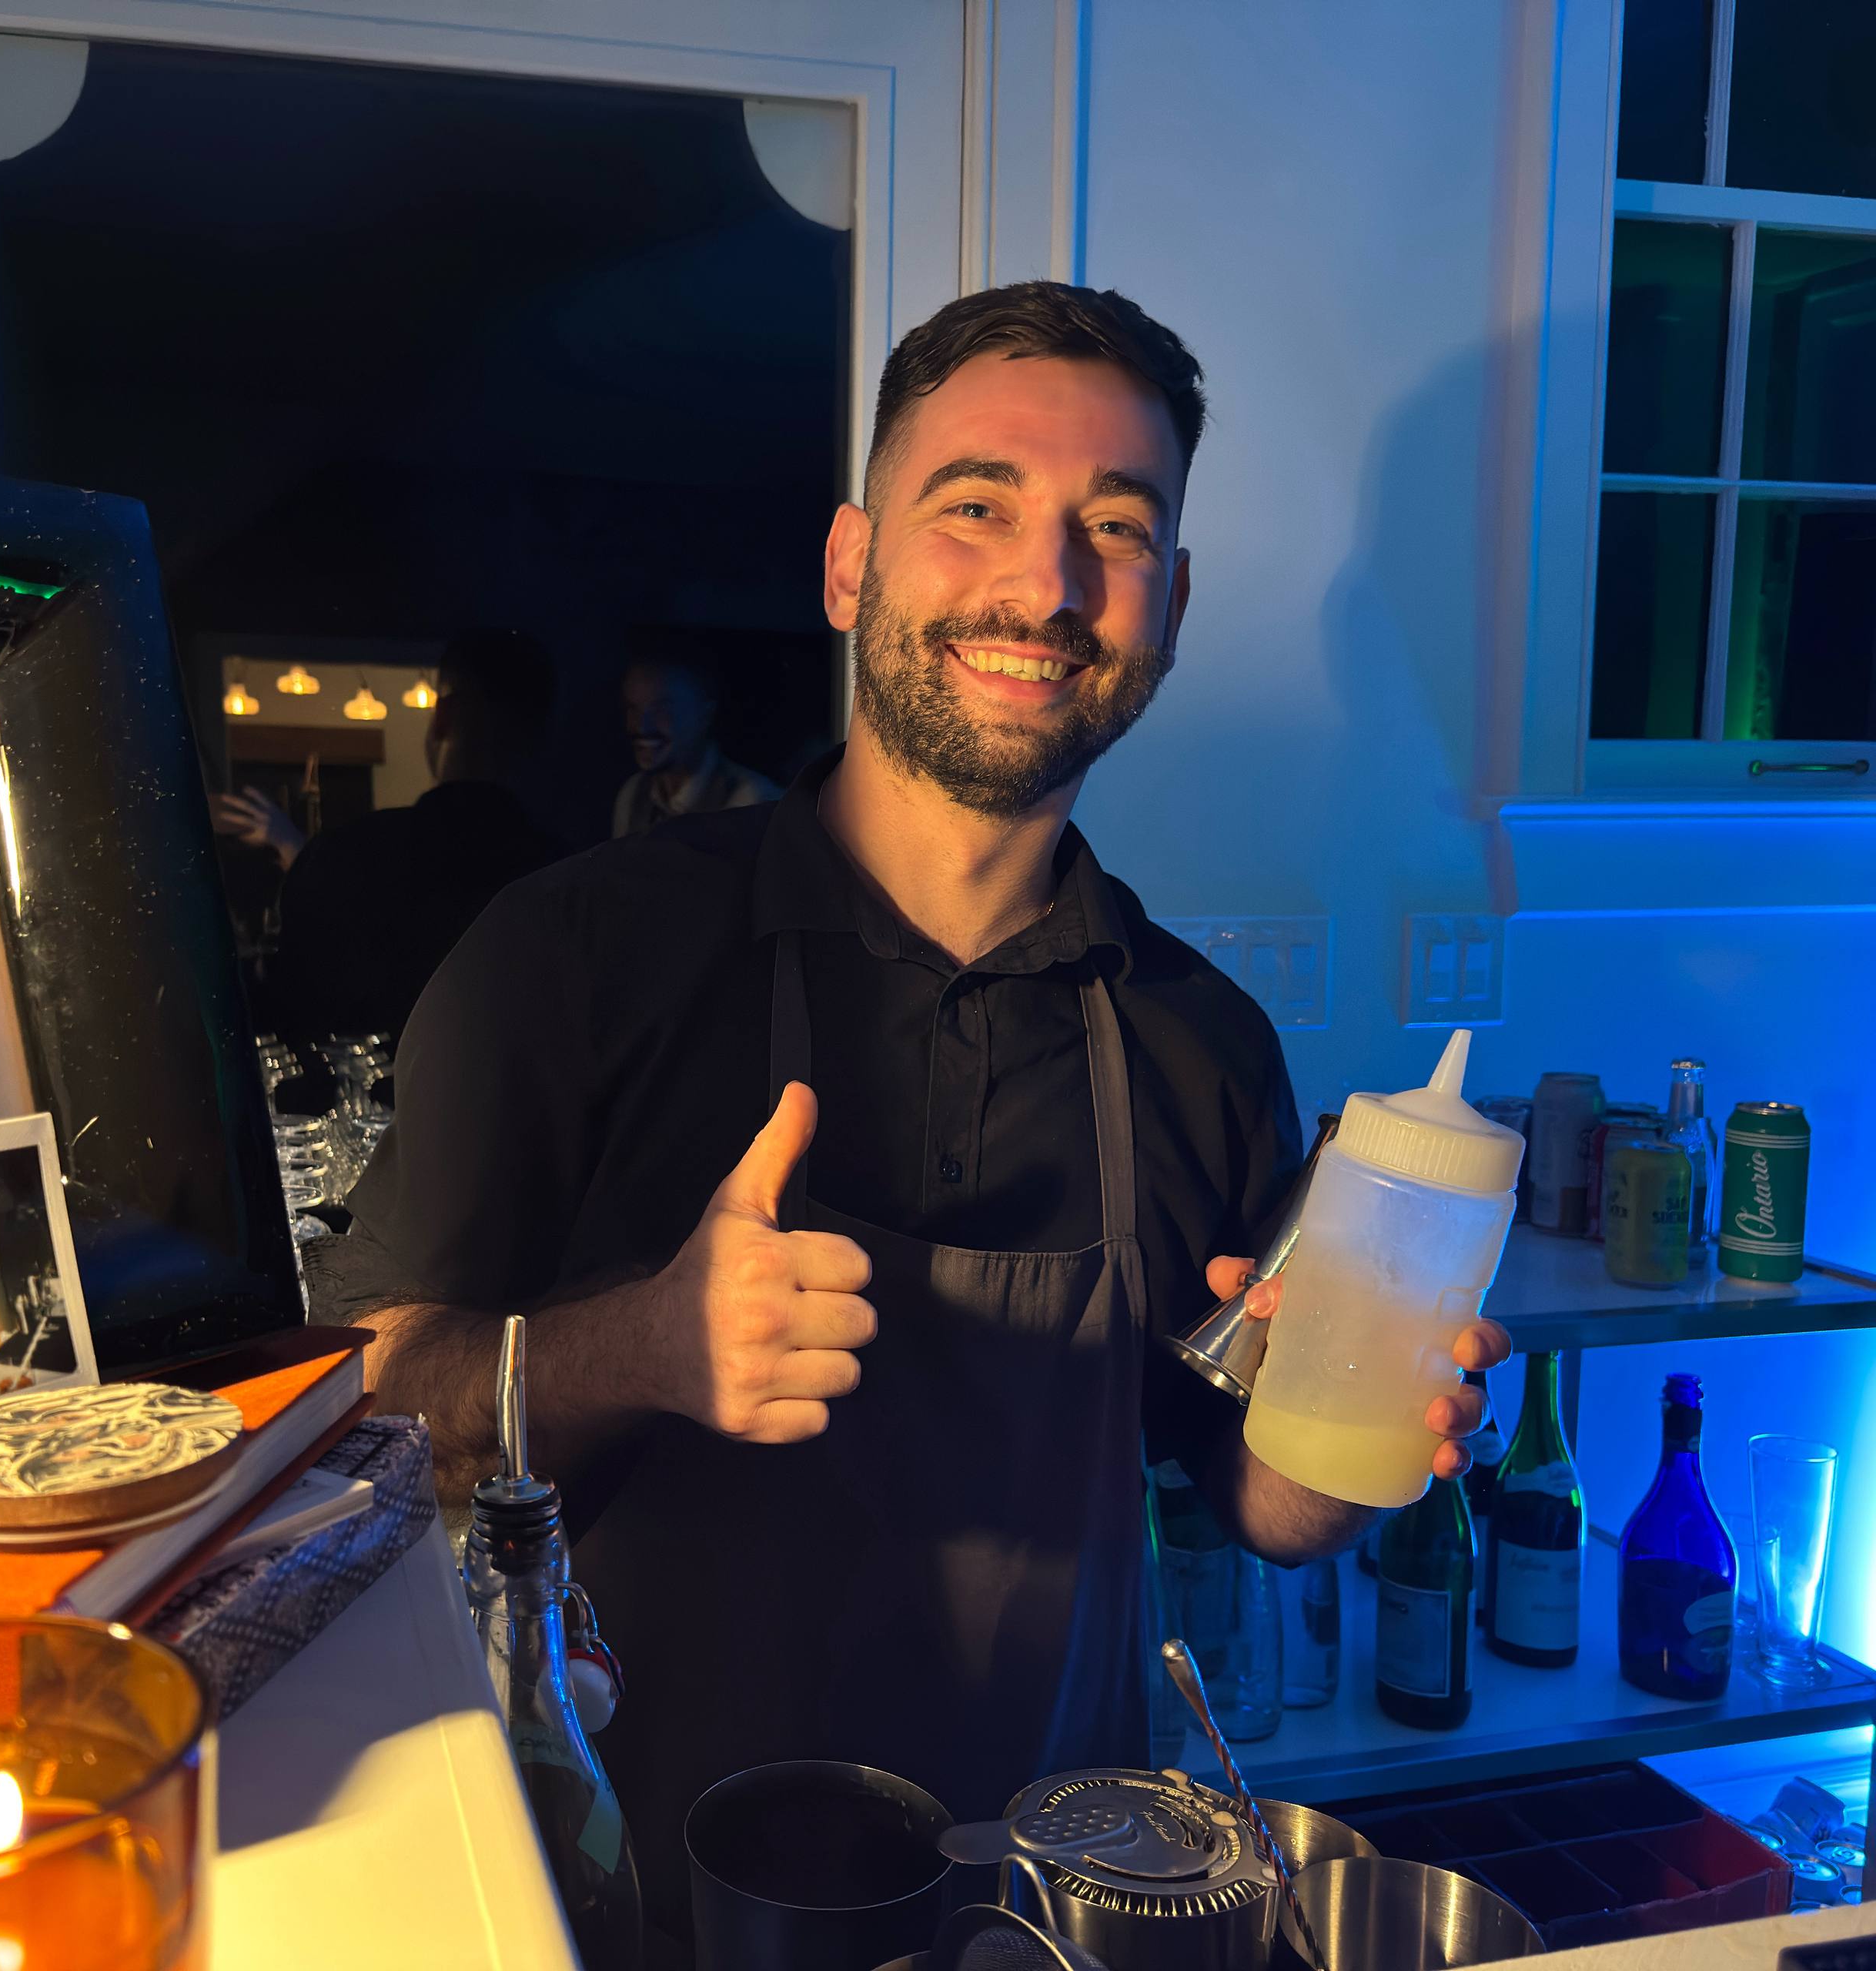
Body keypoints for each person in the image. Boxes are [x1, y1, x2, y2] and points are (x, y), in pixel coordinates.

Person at [320, 283, 1508, 1944]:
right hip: (628, 1887)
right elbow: (353, 1428)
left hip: (1052, 1904)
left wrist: (1366, 1423)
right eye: (976, 507)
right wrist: (643, 1347)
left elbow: (1256, 1505)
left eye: (1115, 525)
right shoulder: (573, 952)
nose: (1044, 581)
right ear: (849, 563)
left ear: (1166, 602)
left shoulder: (1200, 1041)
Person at [264, 629, 567, 1041]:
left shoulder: (343, 856)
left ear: (442, 717)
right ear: (543, 735)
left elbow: (292, 1012)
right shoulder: (569, 877)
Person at [610, 650, 779, 836]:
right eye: (634, 708)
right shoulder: (633, 794)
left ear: (704, 714)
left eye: (661, 709)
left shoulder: (754, 800)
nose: (641, 726)